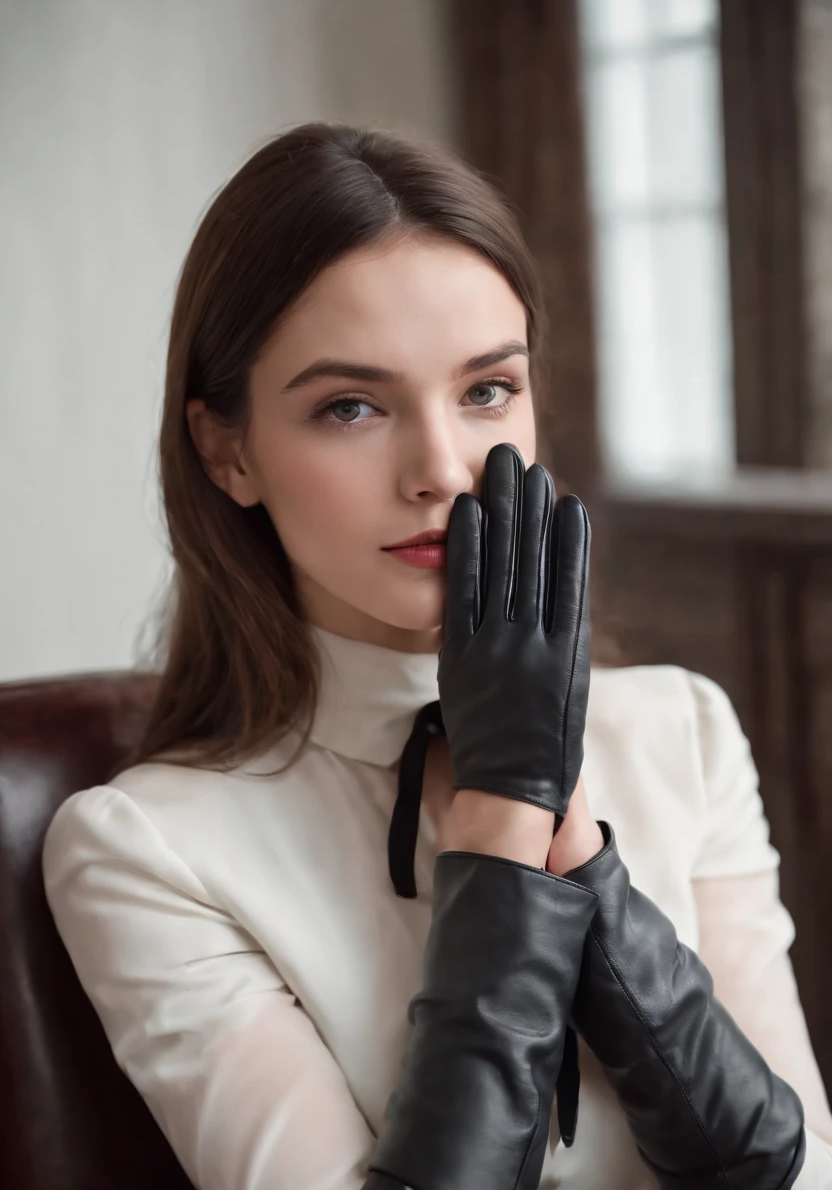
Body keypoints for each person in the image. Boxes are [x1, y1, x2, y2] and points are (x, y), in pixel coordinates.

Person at [41, 123, 832, 1189]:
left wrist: (591, 879)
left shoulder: (680, 729)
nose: (443, 468)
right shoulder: (146, 849)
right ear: (227, 449)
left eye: (487, 390)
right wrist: (505, 826)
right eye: (351, 407)